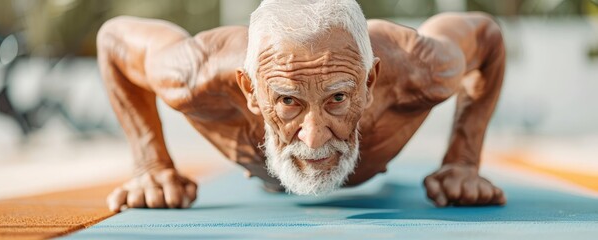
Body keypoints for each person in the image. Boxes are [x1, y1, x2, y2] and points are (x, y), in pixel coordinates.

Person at [97, 0, 506, 212]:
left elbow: (487, 36)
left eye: (338, 99)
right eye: (288, 101)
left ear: (370, 82)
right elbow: (113, 39)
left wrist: (463, 160)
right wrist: (152, 164)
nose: (313, 138)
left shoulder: (421, 66)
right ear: (250, 90)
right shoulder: (194, 73)